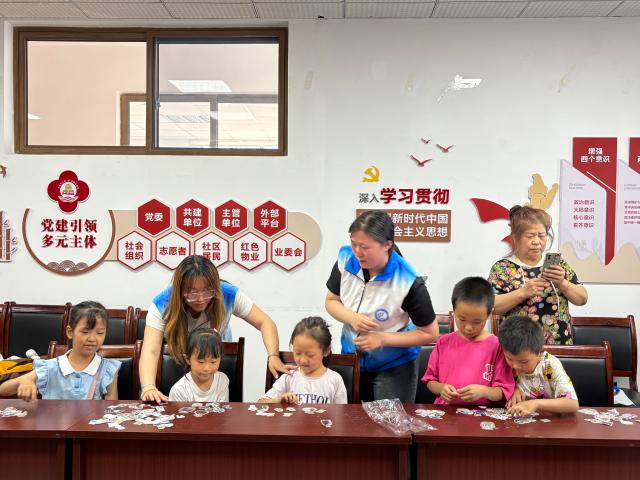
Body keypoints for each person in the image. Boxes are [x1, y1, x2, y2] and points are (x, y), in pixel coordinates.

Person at [139, 255, 291, 403]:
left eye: (207, 291)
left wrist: (273, 355)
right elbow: (151, 349)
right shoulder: (162, 303)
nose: (200, 299)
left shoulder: (228, 293)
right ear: (180, 290)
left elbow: (265, 322)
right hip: (179, 358)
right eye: (192, 293)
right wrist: (148, 387)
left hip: (213, 361)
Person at [325, 210, 438, 403]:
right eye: (354, 243)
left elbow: (430, 333)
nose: (357, 252)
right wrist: (351, 318)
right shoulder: (345, 259)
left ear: (387, 245)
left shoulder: (408, 281)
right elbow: (331, 301)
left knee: (390, 420)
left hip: (395, 364)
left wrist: (382, 338)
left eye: (364, 247)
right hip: (353, 358)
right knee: (354, 418)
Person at [488, 205, 588, 345]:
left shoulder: (558, 264)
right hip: (518, 347)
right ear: (515, 237)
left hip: (559, 345)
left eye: (542, 235)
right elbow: (490, 307)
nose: (536, 242)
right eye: (530, 236)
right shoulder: (502, 268)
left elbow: (582, 299)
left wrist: (562, 283)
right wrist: (522, 293)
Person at [0, 301, 120, 401]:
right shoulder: (50, 367)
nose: (92, 338)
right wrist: (25, 382)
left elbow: (110, 409)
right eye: (85, 332)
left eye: (100, 333)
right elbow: (3, 389)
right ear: (70, 332)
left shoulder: (108, 369)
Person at [422, 277, 515, 405]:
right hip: (446, 411)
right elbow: (430, 380)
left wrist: (484, 391)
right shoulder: (443, 342)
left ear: (489, 314)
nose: (468, 327)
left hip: (482, 414)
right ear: (454, 310)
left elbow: (503, 391)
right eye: (462, 319)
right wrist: (441, 388)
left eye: (476, 322)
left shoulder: (497, 346)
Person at [499, 315, 579, 415]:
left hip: (551, 420)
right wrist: (513, 390)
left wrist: (536, 403)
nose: (515, 366)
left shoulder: (550, 365)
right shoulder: (505, 363)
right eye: (510, 359)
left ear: (540, 352)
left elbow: (572, 404)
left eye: (524, 362)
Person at [258, 316, 347, 404]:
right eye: (297, 353)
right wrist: (278, 401)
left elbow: (343, 411)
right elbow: (260, 403)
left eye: (310, 355)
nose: (303, 360)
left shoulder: (335, 380)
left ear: (326, 351)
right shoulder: (289, 377)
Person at [169, 328, 229, 402]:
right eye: (201, 362)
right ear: (187, 359)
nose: (207, 368)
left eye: (213, 362)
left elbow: (223, 408)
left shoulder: (222, 380)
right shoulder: (179, 390)